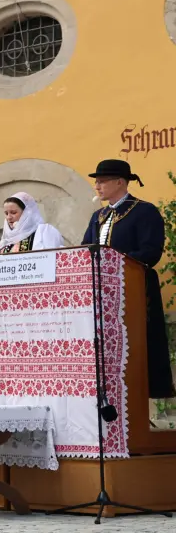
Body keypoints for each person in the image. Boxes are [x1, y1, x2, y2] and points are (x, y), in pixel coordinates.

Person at [82, 158, 173, 400]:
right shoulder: (97, 216)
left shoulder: (144, 211)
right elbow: (86, 250)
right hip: (101, 292)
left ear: (120, 182)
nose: (97, 187)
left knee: (137, 344)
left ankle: (142, 395)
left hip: (133, 289)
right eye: (96, 182)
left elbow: (150, 252)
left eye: (102, 181)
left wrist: (113, 265)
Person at [0, 192, 65, 254]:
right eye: (6, 213)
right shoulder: (5, 240)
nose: (9, 217)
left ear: (27, 213)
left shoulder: (43, 232)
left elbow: (51, 258)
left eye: (13, 212)